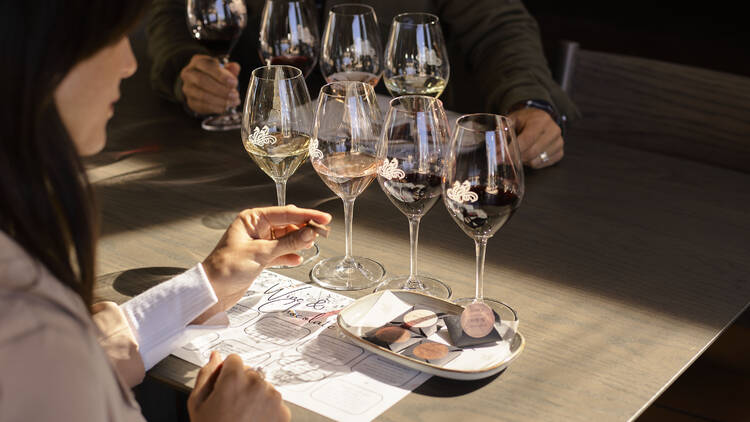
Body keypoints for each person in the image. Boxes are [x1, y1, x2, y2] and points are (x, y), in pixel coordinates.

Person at [0, 1, 331, 420]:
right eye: (110, 39)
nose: (129, 63)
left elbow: (55, 366)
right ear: (36, 57)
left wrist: (205, 286)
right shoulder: (23, 315)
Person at [147, 0, 578, 169]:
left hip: (391, 169)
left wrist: (531, 101)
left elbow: (499, 27)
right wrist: (183, 67)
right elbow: (173, 12)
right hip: (263, 157)